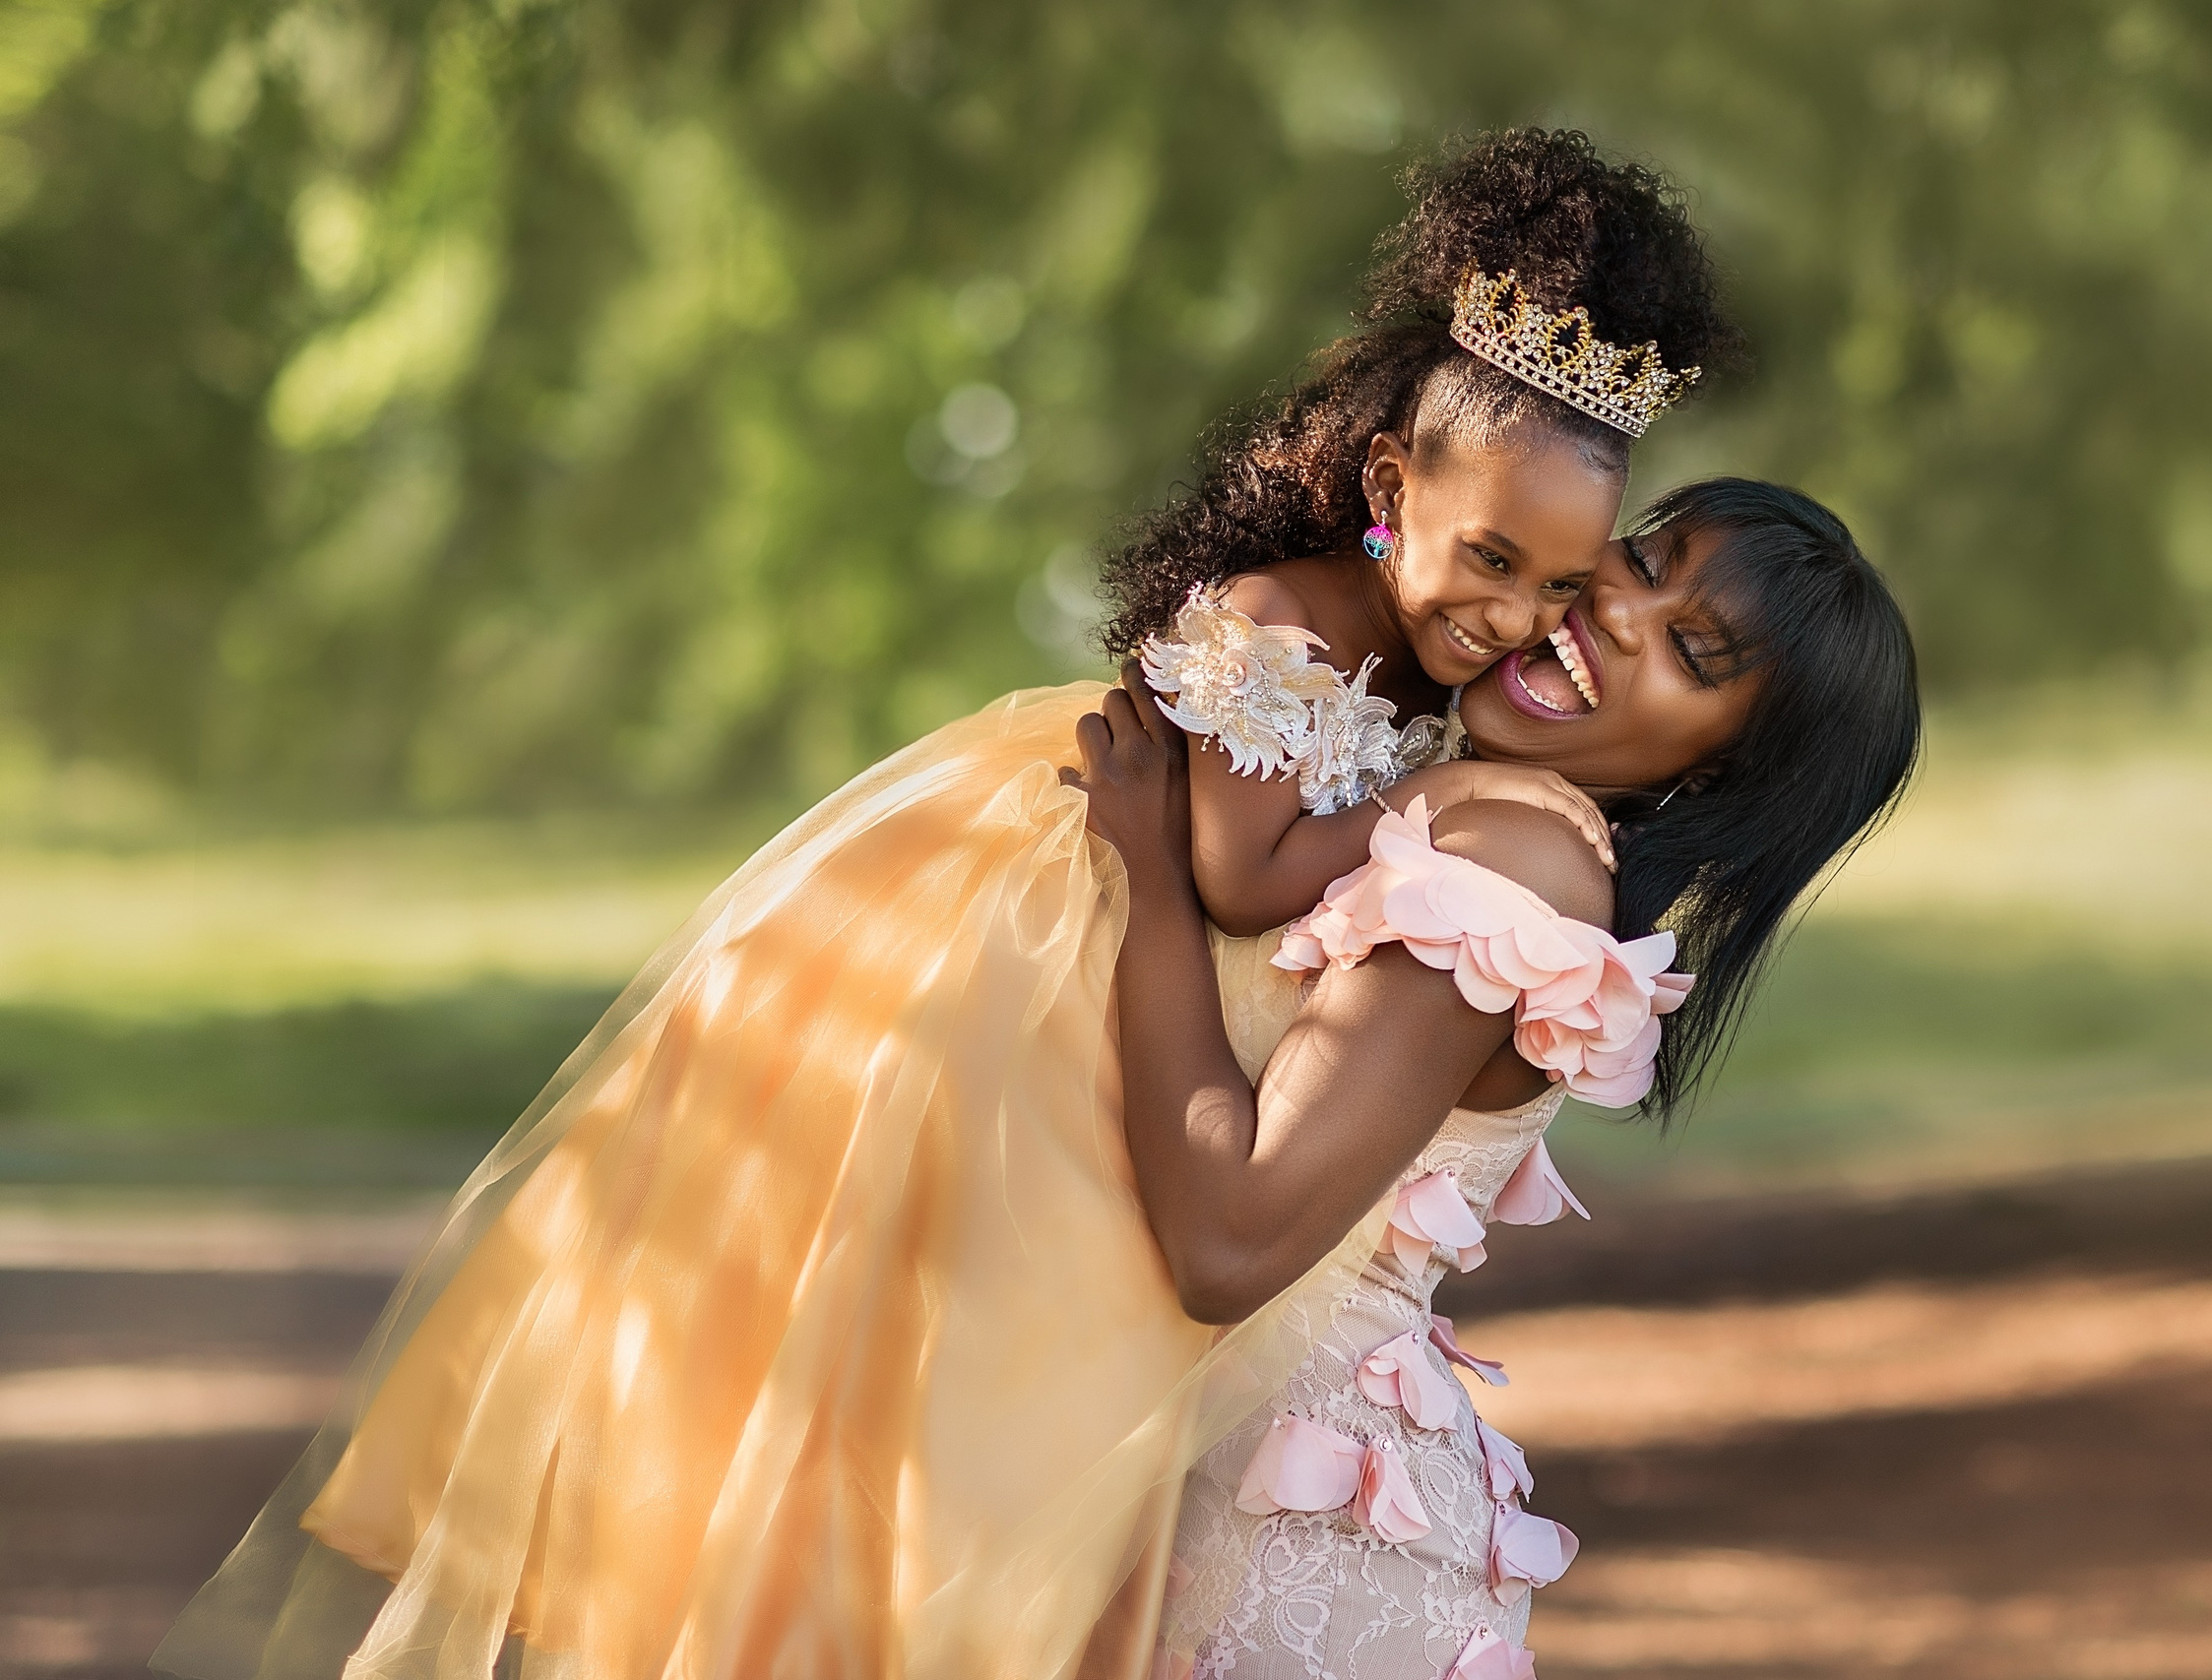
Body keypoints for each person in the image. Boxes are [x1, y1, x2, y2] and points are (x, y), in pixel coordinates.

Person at [152, 131, 1734, 1680]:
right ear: (1392, 482)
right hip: (1039, 937)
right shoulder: (1296, 619)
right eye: (1492, 559)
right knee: (973, 1335)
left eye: (1552, 584)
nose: (1515, 615)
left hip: (1138, 953)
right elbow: (1241, 870)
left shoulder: (1432, 651)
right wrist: (1436, 803)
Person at [1066, 478, 1923, 1677]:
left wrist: (1151, 877)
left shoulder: (1513, 874)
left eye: (1692, 648)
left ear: (1720, 775)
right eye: (1644, 557)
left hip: (1301, 1567)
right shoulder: (1427, 790)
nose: (1620, 608)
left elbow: (1227, 1242)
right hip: (1190, 1496)